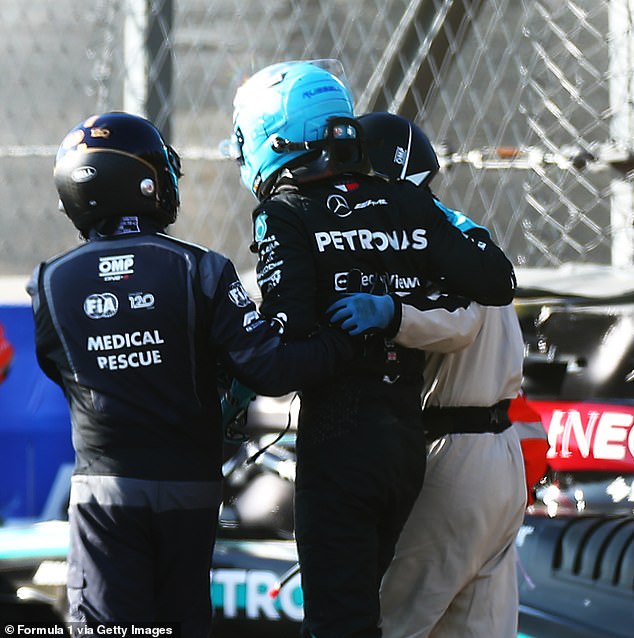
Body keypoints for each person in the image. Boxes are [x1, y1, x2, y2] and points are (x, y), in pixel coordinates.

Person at [27, 111, 355, 634]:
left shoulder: (48, 283)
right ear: (142, 183)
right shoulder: (200, 267)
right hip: (190, 491)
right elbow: (270, 366)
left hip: (104, 494)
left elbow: (60, 368)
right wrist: (345, 340)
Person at [227, 60, 517, 638]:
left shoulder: (286, 213)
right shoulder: (408, 205)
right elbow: (496, 281)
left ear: (270, 136)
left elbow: (286, 349)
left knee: (353, 623)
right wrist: (390, 305)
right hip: (410, 443)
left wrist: (238, 357)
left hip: (347, 439)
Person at [329, 112, 548, 638]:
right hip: (496, 455)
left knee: (393, 624)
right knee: (475, 629)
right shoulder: (460, 230)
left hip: (455, 454)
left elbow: (460, 322)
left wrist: (391, 314)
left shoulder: (423, 234)